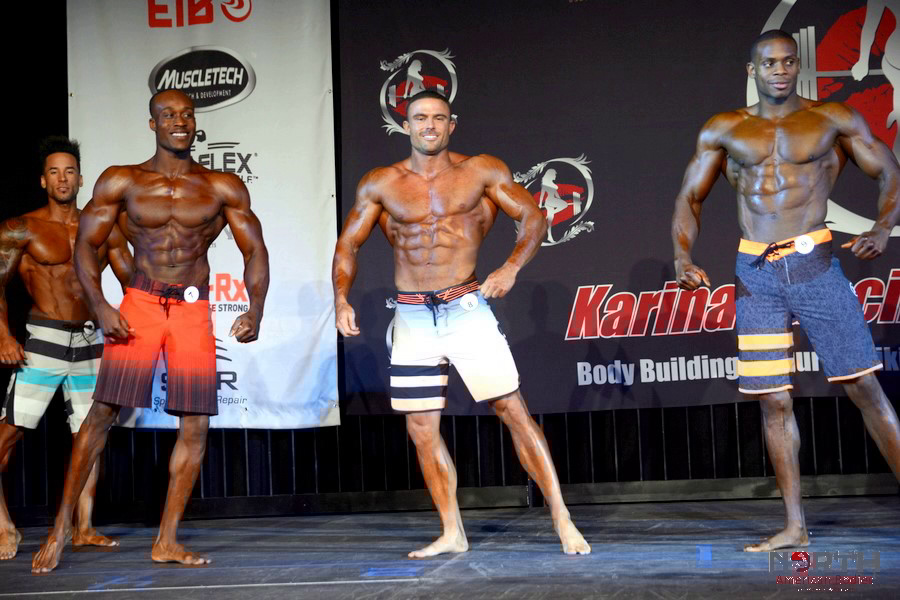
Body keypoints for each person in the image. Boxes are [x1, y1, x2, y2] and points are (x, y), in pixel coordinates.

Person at [333, 90, 590, 558]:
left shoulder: (481, 171)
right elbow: (348, 243)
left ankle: (561, 517)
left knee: (511, 409)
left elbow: (533, 216)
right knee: (421, 428)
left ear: (452, 124)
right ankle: (452, 531)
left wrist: (510, 267)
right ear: (405, 125)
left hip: (465, 308)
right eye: (420, 118)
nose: (429, 125)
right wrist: (340, 299)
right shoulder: (381, 182)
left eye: (438, 118)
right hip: (412, 316)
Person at [671, 30, 900, 552]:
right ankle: (795, 525)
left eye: (789, 62)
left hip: (814, 264)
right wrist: (683, 255)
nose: (780, 70)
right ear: (753, 70)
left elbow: (889, 171)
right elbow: (690, 196)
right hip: (756, 273)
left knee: (864, 387)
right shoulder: (725, 128)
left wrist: (883, 227)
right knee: (773, 401)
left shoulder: (831, 118)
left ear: (799, 66)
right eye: (770, 63)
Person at [32, 90, 269, 573]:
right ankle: (60, 529)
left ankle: (167, 540)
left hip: (191, 308)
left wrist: (256, 309)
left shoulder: (221, 186)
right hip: (139, 303)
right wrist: (101, 306)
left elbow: (255, 249)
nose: (179, 121)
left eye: (186, 115)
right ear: (152, 124)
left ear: (195, 123)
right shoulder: (123, 181)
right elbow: (85, 246)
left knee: (196, 424)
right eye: (168, 115)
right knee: (101, 414)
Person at [0, 136, 133, 561]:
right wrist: (4, 336)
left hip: (91, 340)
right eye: (54, 172)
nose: (62, 178)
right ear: (43, 180)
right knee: (8, 434)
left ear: (80, 178)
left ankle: (84, 527)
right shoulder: (21, 228)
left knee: (90, 435)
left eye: (69, 171)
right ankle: (3, 524)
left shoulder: (101, 227)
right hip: (44, 340)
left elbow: (132, 282)